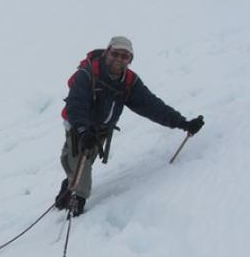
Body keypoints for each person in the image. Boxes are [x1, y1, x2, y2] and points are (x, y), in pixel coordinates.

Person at [55, 35, 204, 216]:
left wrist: (182, 123)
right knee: (80, 161)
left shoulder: (129, 81)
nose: (119, 59)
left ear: (130, 60)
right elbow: (76, 106)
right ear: (107, 53)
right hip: (79, 126)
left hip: (101, 130)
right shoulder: (87, 74)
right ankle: (76, 204)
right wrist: (83, 131)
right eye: (115, 53)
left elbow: (152, 106)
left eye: (124, 56)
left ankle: (68, 188)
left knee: (85, 161)